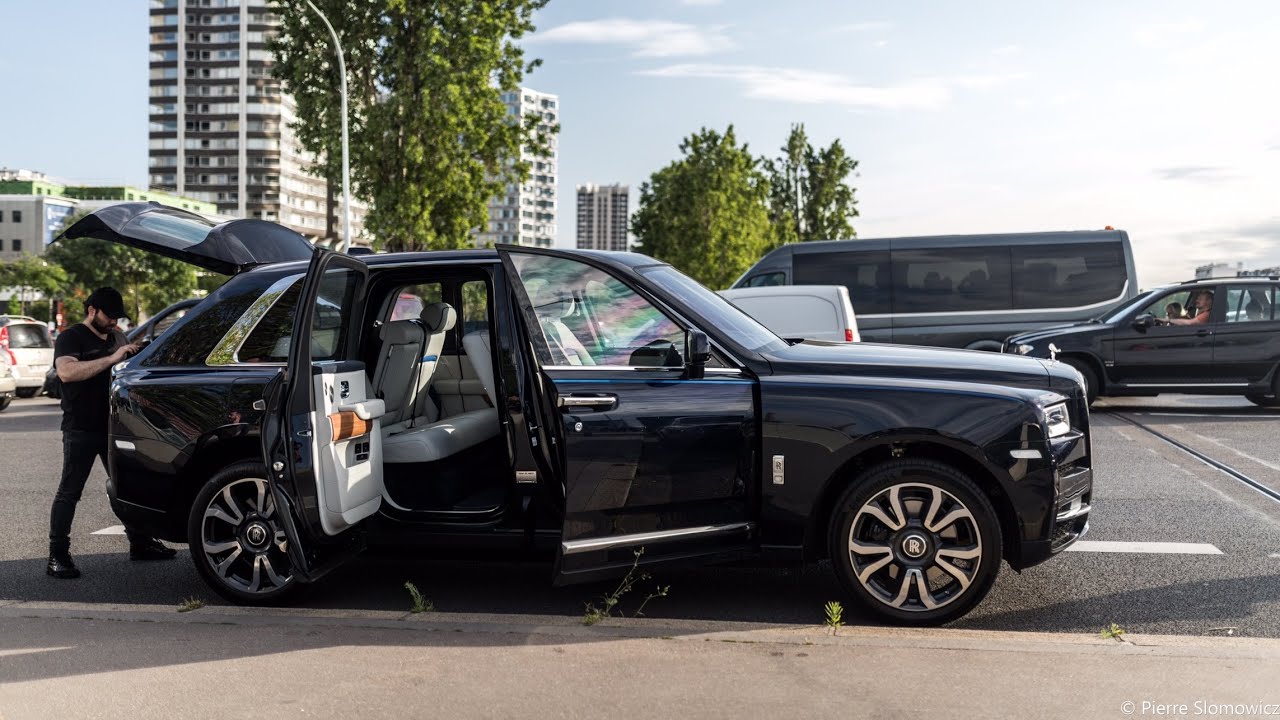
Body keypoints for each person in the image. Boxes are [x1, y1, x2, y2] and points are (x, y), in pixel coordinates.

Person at [46, 287, 176, 579]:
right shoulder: (71, 337)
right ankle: (57, 556)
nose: (114, 323)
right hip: (80, 428)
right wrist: (112, 358)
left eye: (117, 317)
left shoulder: (118, 336)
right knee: (70, 492)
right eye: (109, 316)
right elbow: (67, 373)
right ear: (91, 310)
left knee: (127, 487)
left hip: (115, 426)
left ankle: (140, 543)